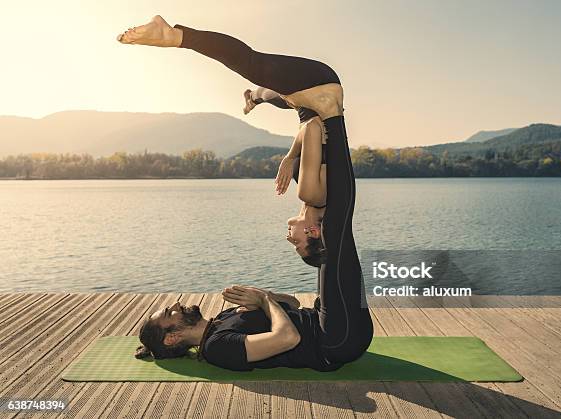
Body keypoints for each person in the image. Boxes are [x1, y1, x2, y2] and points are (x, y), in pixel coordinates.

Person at [121, 15, 372, 370]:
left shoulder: (222, 319)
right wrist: (263, 301)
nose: (175, 307)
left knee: (306, 112)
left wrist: (266, 299)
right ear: (172, 337)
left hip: (327, 320)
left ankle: (284, 102)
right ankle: (180, 39)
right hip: (336, 340)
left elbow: (289, 305)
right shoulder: (217, 348)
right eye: (168, 316)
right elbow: (287, 339)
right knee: (336, 229)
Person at [244, 86, 328, 266]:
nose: (288, 238)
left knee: (282, 97)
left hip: (306, 104)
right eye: (296, 243)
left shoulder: (319, 200)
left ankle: (253, 98)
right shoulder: (311, 195)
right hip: (313, 96)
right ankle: (253, 97)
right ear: (313, 232)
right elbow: (311, 127)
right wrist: (289, 158)